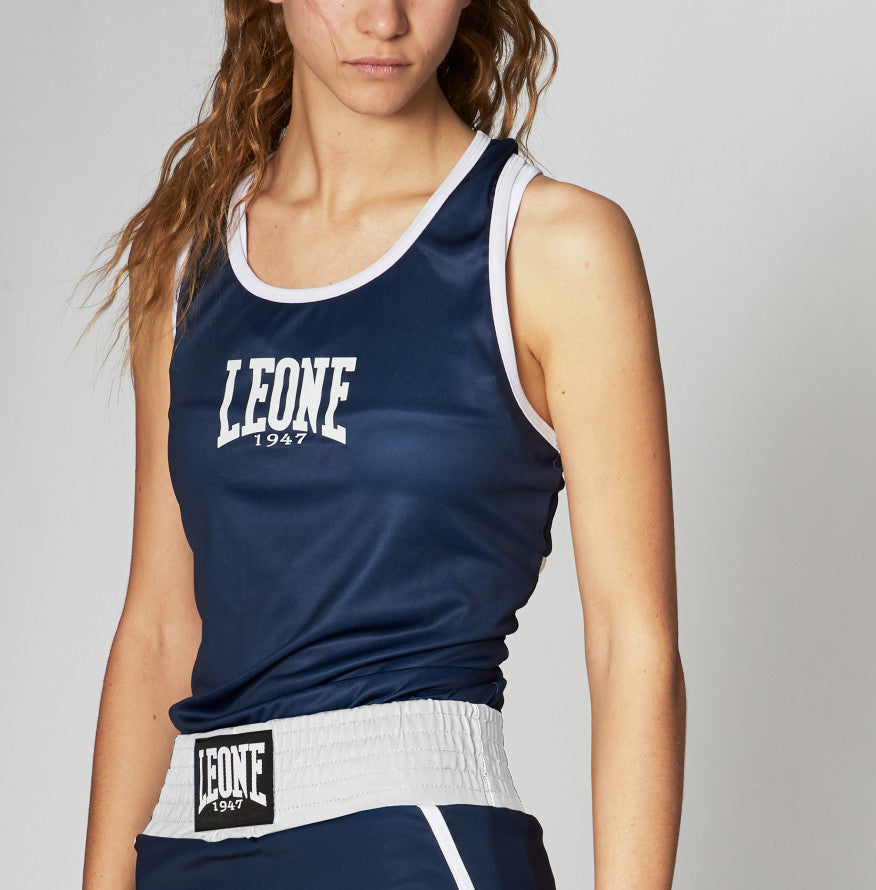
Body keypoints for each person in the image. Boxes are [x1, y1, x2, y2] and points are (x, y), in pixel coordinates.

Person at [78, 0, 685, 887]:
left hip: (413, 846)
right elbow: (161, 626)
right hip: (190, 843)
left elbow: (632, 643)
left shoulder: (547, 246)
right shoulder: (181, 262)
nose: (385, 18)